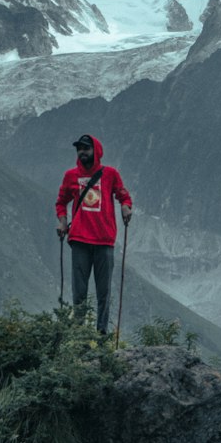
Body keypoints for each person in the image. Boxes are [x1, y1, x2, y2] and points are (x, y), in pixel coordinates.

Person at [56, 133, 132, 334]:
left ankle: (101, 333)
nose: (82, 152)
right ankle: (79, 333)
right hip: (79, 240)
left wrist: (126, 207)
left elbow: (124, 196)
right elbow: (61, 202)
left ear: (96, 150)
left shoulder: (110, 175)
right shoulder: (70, 176)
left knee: (103, 291)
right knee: (79, 292)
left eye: (86, 148)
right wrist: (63, 221)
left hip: (104, 240)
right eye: (79, 149)